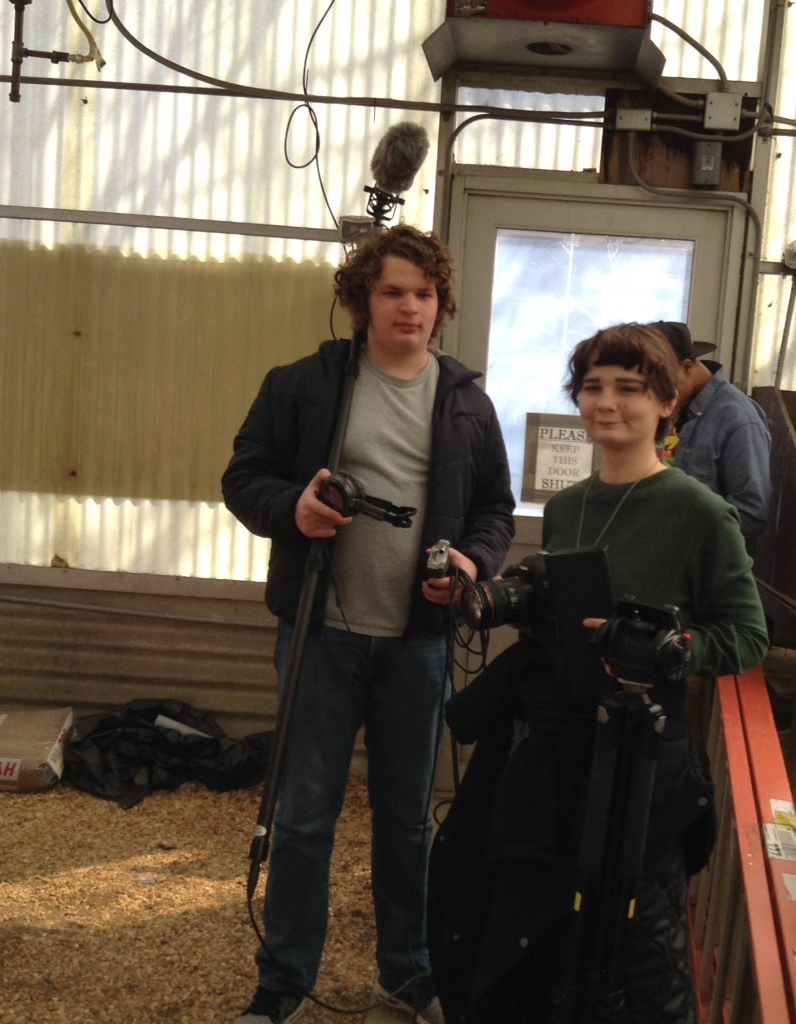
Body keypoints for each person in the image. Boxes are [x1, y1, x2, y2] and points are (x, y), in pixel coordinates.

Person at [428, 322, 769, 1023]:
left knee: (638, 943)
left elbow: (746, 635)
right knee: (541, 925)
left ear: (667, 402)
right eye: (592, 387)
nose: (606, 403)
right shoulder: (565, 508)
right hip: (558, 748)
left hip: (643, 757)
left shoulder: (701, 514)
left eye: (629, 388)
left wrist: (672, 651)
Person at [222, 224, 516, 1024]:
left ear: (441, 305)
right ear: (362, 300)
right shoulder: (305, 385)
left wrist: (474, 563)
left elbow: (494, 507)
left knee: (408, 821)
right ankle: (282, 983)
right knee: (307, 816)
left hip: (418, 645)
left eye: (424, 294)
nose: (409, 307)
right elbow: (243, 477)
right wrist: (295, 509)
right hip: (322, 635)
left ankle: (410, 974)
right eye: (392, 291)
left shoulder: (464, 402)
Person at [650, 321, 772, 554]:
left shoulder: (739, 420)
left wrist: (679, 527)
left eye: (661, 384)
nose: (655, 394)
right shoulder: (678, 407)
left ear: (686, 369)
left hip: (708, 568)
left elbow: (751, 512)